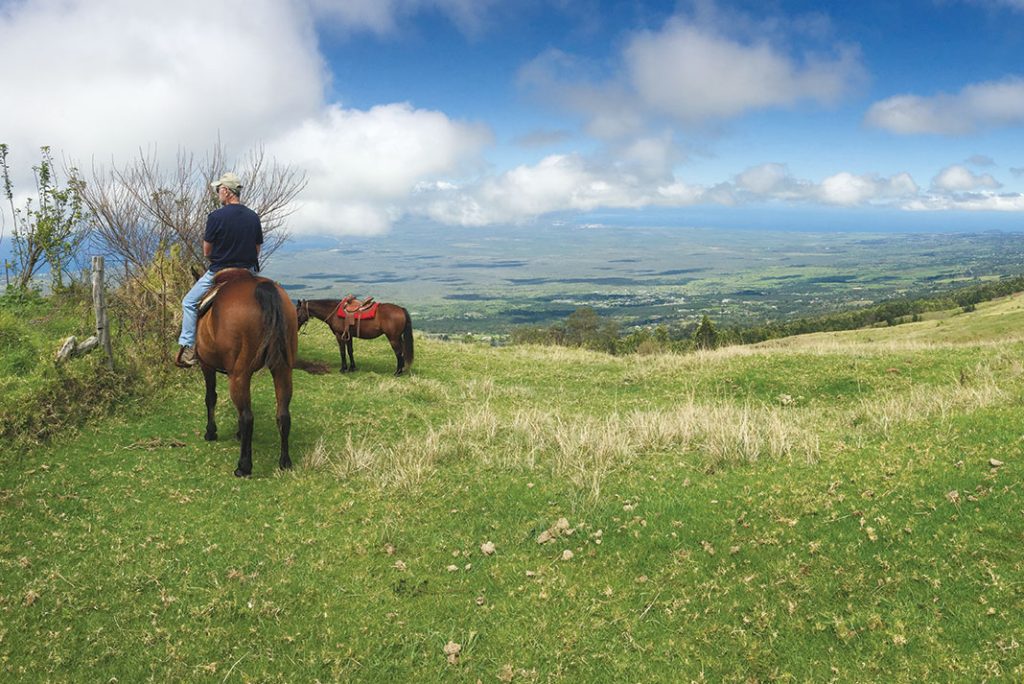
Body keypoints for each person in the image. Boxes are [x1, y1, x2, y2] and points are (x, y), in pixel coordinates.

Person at [176, 171, 263, 368]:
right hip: (248, 272)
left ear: (226, 191)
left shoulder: (215, 216)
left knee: (188, 302)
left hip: (220, 271)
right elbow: (257, 249)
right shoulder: (253, 217)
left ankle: (189, 348)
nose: (218, 193)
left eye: (218, 190)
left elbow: (207, 251)